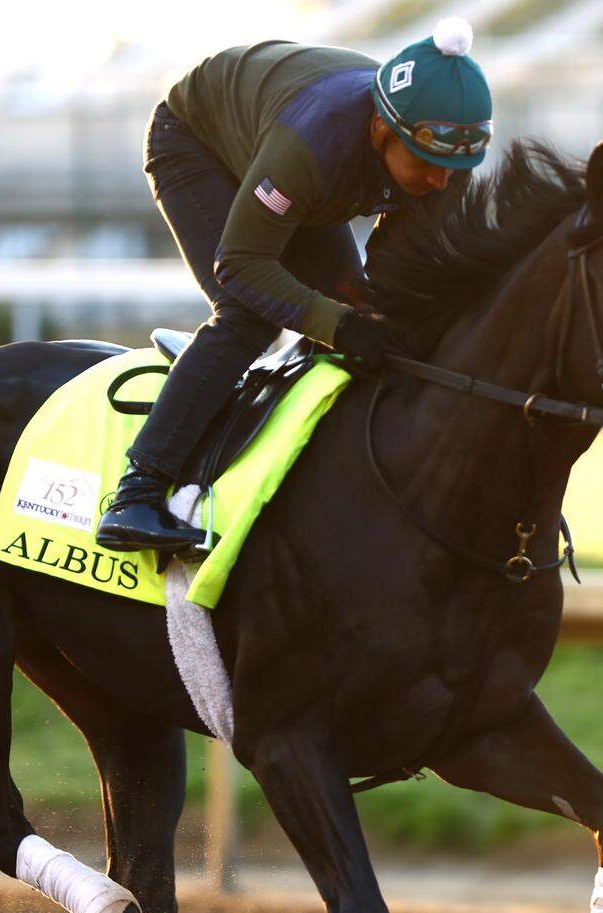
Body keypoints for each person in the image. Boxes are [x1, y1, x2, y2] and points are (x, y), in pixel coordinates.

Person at [95, 18, 494, 555]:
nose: (440, 183)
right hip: (199, 143)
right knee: (247, 316)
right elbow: (239, 265)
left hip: (293, 151)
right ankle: (136, 492)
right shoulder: (312, 149)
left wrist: (376, 317)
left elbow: (395, 273)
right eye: (427, 164)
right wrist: (339, 326)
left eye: (455, 168)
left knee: (362, 305)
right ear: (382, 127)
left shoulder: (443, 155)